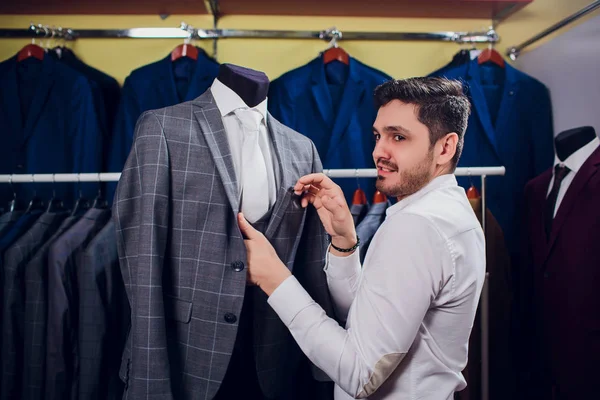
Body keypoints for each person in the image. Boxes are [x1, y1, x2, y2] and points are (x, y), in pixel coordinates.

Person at [237, 77, 486, 399]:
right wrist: (344, 242)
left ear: (445, 147)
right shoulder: (449, 211)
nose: (378, 151)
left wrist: (274, 277)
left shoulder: (418, 225)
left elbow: (360, 375)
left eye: (398, 137)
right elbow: (370, 322)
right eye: (377, 136)